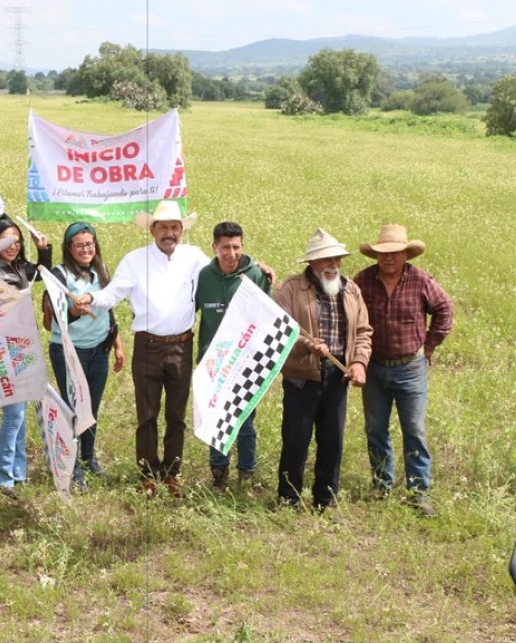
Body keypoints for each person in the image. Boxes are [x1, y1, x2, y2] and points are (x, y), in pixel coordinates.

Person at [73, 199, 207, 497]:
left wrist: (254, 268)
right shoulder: (135, 260)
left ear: (182, 230)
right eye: (163, 227)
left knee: (176, 415)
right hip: (147, 347)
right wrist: (91, 299)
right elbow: (112, 294)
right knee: (147, 414)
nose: (169, 233)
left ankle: (172, 475)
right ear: (152, 230)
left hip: (182, 346)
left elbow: (221, 276)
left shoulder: (195, 257)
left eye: (175, 227)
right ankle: (148, 474)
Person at [354, 225, 453, 517]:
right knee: (375, 428)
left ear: (405, 254)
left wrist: (431, 345)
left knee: (414, 430)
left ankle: (418, 492)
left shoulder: (421, 280)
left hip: (410, 367)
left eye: (395, 253)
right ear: (376, 255)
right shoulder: (362, 281)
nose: (388, 258)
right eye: (383, 253)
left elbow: (445, 309)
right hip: (373, 367)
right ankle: (381, 484)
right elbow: (348, 311)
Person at [273, 229, 372, 509]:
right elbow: (279, 331)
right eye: (326, 260)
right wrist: (306, 345)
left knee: (332, 442)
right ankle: (288, 500)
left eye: (337, 259)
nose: (334, 265)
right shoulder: (291, 289)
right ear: (312, 263)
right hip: (302, 379)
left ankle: (325, 501)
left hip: (337, 377)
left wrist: (358, 362)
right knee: (296, 441)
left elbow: (364, 331)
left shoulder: (351, 290)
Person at [42, 222, 125, 490]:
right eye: (79, 245)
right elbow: (52, 321)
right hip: (69, 351)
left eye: (90, 244)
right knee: (72, 408)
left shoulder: (101, 272)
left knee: (91, 407)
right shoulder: (59, 275)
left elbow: (108, 308)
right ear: (69, 248)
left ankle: (89, 458)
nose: (85, 249)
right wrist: (73, 313)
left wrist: (117, 344)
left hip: (99, 348)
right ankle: (72, 463)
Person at [194, 221, 272, 492]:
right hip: (214, 363)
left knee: (246, 421)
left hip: (247, 362)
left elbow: (269, 315)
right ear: (214, 247)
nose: (231, 253)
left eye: (236, 247)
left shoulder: (257, 275)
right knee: (217, 419)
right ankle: (219, 474)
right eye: (225, 247)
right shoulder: (203, 277)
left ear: (243, 246)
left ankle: (247, 474)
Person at [0, 217, 51, 497]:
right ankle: (2, 476)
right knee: (13, 414)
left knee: (21, 414)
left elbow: (44, 273)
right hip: (1, 348)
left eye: (17, 241)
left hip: (24, 345)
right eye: (7, 241)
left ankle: (17, 472)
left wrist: (43, 249)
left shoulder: (20, 266)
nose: (13, 246)